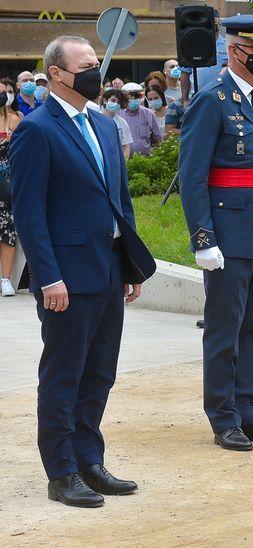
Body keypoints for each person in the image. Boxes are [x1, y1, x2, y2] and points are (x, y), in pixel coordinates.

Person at [11, 34, 156, 507]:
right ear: (56, 73)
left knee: (99, 374)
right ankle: (62, 472)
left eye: (96, 62)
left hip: (109, 271)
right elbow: (29, 214)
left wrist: (130, 263)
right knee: (63, 377)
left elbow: (120, 200)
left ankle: (90, 461)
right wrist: (47, 276)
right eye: (86, 64)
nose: (95, 71)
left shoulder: (103, 122)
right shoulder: (37, 129)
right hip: (66, 279)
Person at [178, 15, 253, 452]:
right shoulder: (212, 100)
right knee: (224, 328)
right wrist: (203, 237)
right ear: (235, 52)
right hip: (227, 234)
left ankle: (249, 411)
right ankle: (223, 416)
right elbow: (192, 176)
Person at [0, 79, 19, 297]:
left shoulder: (15, 121)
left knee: (7, 233)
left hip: (6, 185)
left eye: (5, 92)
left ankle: (6, 280)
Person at [119, 82, 163, 156]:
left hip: (146, 161)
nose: (133, 99)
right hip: (125, 161)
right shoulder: (118, 115)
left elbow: (157, 140)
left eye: (136, 96)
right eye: (130, 96)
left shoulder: (149, 114)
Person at [97, 89, 134, 157]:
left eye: (119, 102)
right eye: (113, 100)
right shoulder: (95, 118)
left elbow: (126, 146)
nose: (116, 104)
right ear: (105, 100)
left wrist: (124, 163)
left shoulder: (122, 123)